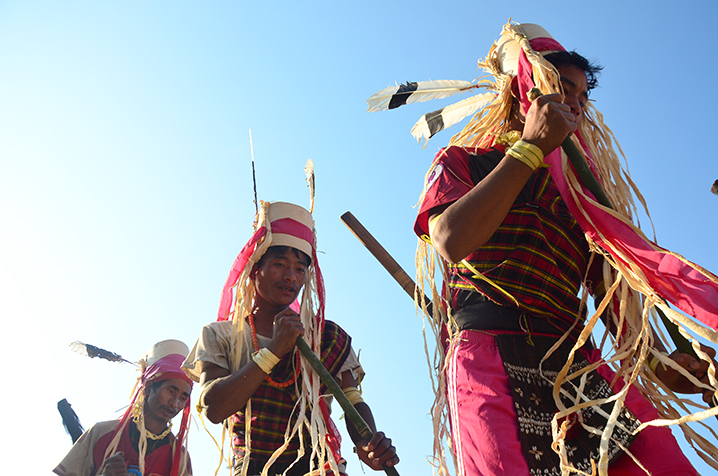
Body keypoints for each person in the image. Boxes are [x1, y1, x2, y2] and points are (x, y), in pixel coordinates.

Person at [372, 22, 718, 476]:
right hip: (489, 353)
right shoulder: (464, 160)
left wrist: (690, 373)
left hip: (576, 365)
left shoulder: (584, 200)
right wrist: (530, 148)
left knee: (662, 463)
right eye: (563, 88)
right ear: (525, 87)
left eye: (583, 97)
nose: (576, 103)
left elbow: (630, 336)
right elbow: (451, 240)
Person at [182, 201, 399, 476]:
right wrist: (274, 350)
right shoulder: (220, 335)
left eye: (300, 269)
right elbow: (214, 407)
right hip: (253, 469)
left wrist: (368, 445)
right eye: (280, 264)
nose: (290, 277)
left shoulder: (325, 337)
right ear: (254, 268)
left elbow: (352, 400)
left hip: (317, 467)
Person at [54, 340, 194, 476]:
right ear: (148, 388)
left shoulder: (179, 459)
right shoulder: (101, 434)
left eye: (183, 397)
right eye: (171, 391)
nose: (175, 403)